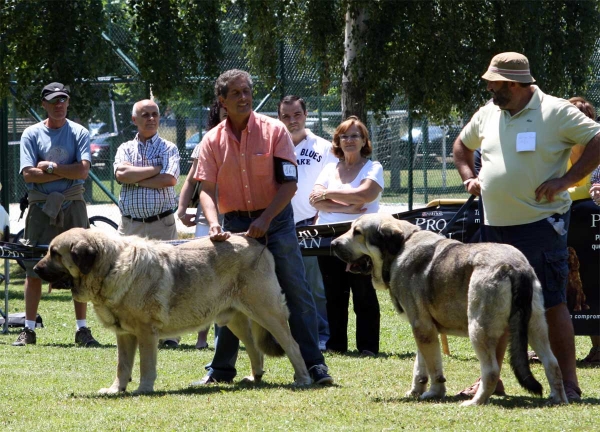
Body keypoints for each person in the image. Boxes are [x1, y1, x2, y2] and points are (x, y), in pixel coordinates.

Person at [452, 52, 600, 401]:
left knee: (550, 301)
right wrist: (468, 178)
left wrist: (567, 179)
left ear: (515, 84)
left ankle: (569, 385)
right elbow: (461, 145)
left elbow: (598, 139)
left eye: (495, 83)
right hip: (495, 229)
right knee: (495, 306)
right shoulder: (488, 113)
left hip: (541, 226)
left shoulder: (556, 111)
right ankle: (491, 381)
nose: (489, 88)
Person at [192, 69, 333, 385]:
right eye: (236, 94)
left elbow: (289, 184)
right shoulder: (211, 140)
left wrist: (266, 220)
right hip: (236, 225)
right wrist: (214, 224)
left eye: (247, 91)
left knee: (297, 290)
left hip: (278, 221)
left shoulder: (275, 131)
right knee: (227, 295)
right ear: (222, 101)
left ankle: (315, 366)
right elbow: (206, 190)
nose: (244, 98)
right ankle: (222, 370)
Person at [15, 82, 100, 347]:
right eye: (53, 101)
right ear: (44, 104)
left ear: (67, 102)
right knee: (33, 269)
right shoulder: (31, 134)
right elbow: (28, 173)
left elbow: (83, 172)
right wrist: (67, 168)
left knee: (81, 269)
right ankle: (28, 330)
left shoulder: (79, 132)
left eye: (62, 100)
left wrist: (50, 167)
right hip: (40, 210)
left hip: (73, 207)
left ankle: (82, 330)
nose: (58, 105)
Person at [309, 116, 384, 357]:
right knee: (334, 294)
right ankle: (336, 345)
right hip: (328, 237)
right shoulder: (330, 168)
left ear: (364, 141)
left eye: (354, 136)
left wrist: (329, 196)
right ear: (337, 141)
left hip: (360, 239)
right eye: (344, 136)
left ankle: (368, 346)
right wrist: (349, 207)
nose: (349, 140)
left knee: (363, 292)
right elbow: (314, 199)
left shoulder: (373, 168)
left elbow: (366, 194)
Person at [113, 99, 180, 348]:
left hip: (160, 224)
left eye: (155, 114)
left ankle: (170, 334)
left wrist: (135, 177)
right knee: (127, 277)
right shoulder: (124, 148)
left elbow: (170, 179)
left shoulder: (169, 147)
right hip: (130, 226)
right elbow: (121, 175)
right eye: (145, 115)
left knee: (167, 277)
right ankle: (131, 327)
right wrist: (154, 169)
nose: (151, 118)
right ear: (134, 120)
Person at [277, 95, 338, 351]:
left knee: (314, 285)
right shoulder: (274, 145)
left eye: (297, 115)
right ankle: (283, 337)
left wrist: (320, 215)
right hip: (279, 224)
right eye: (286, 116)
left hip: (310, 224)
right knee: (280, 284)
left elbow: (332, 184)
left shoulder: (324, 147)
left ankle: (321, 335)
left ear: (306, 113)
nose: (292, 121)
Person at [177, 99, 227, 349]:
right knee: (204, 276)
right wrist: (182, 208)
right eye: (223, 109)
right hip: (207, 220)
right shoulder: (207, 141)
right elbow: (191, 180)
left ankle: (230, 335)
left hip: (236, 216)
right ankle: (201, 339)